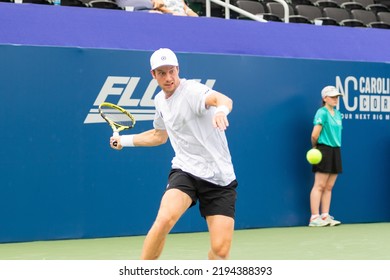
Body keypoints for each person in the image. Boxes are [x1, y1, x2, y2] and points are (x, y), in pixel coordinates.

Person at [110, 48, 237, 259]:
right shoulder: (159, 101)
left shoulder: (193, 91)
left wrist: (222, 111)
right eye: (162, 73)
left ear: (178, 69)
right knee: (164, 220)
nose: (168, 78)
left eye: (171, 71)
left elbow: (224, 99)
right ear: (153, 74)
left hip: (219, 178)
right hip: (185, 171)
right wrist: (124, 140)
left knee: (220, 251)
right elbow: (159, 135)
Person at [308, 85, 343, 227]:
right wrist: (316, 148)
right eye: (332, 97)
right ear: (325, 98)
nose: (335, 99)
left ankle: (325, 216)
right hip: (323, 150)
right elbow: (314, 134)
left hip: (336, 150)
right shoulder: (321, 113)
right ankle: (314, 217)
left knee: (329, 186)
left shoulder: (338, 114)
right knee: (319, 185)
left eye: (337, 97)